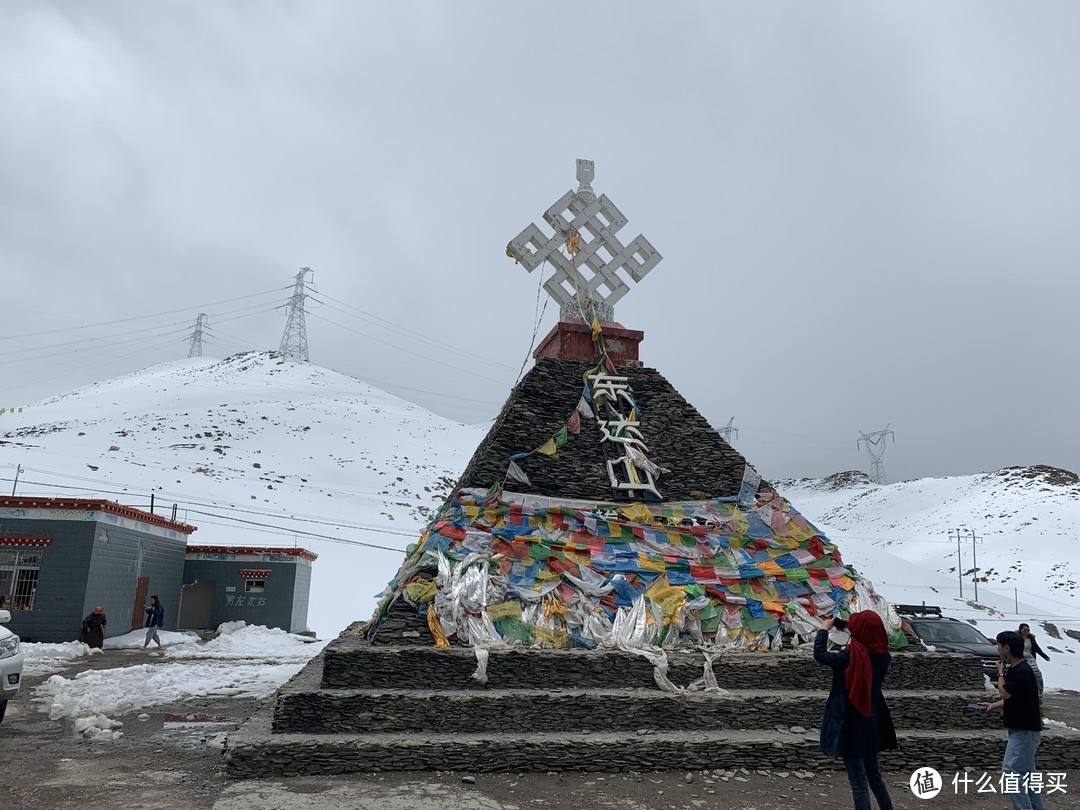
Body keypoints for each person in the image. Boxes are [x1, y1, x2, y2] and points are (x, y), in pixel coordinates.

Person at [814, 612, 897, 810]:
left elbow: (820, 655)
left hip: (851, 719)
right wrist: (842, 626)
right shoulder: (883, 655)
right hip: (873, 717)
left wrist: (823, 630)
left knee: (858, 781)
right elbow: (863, 636)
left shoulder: (849, 656)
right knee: (874, 777)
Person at [980, 631, 1043, 810]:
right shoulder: (1019, 669)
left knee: (1011, 772)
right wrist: (992, 706)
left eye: (999, 646)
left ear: (1007, 648)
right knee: (1026, 774)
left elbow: (1004, 693)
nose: (998, 649)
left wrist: (1000, 673)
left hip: (1024, 730)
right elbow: (1012, 699)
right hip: (1023, 729)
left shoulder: (1021, 670)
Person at [1018, 623, 1050, 696]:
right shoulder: (1017, 638)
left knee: (1033, 675)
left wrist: (1045, 656)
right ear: (1020, 630)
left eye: (1028, 630)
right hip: (1020, 659)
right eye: (1025, 630)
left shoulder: (1031, 638)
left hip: (1030, 659)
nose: (1026, 632)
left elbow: (1036, 648)